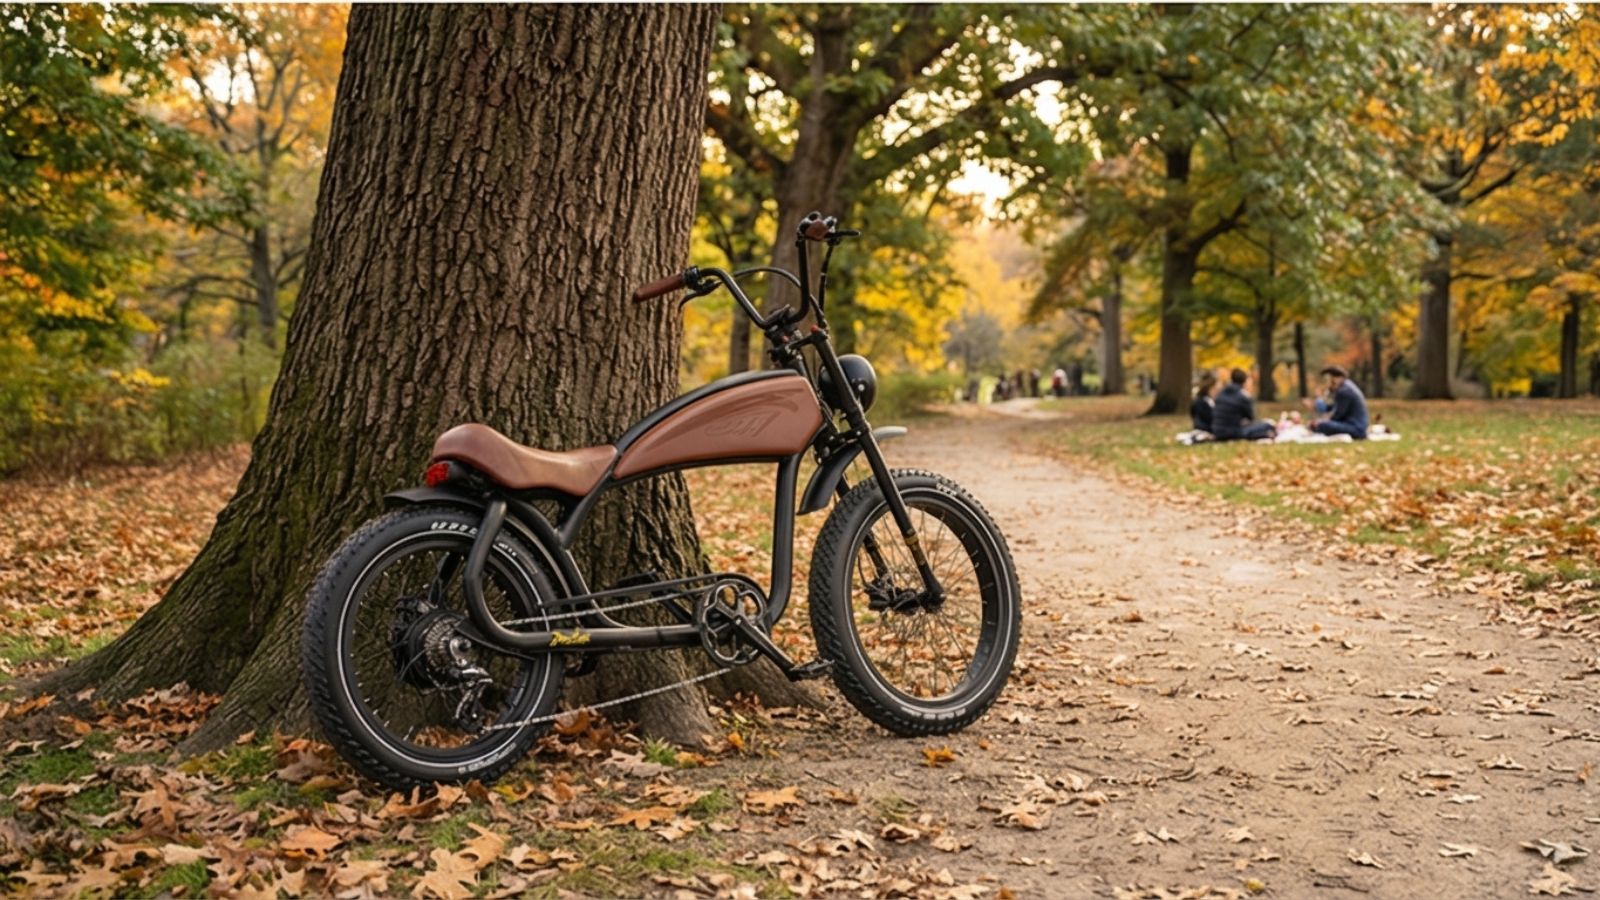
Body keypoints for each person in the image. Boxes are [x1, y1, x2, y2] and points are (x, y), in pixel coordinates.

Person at [1211, 368, 1275, 442]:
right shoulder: (1243, 396)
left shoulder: (1221, 394)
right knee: (1267, 425)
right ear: (1244, 381)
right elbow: (1250, 417)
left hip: (1217, 432)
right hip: (1233, 432)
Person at [1308, 365, 1368, 439]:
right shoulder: (1346, 387)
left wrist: (1321, 422)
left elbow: (1338, 416)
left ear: (1335, 379)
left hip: (1356, 429)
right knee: (1321, 423)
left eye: (1330, 381)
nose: (1329, 384)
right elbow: (1333, 407)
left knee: (1322, 425)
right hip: (1355, 426)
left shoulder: (1344, 391)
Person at [1190, 370, 1218, 434]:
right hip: (1205, 428)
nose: (1216, 391)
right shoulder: (1202, 402)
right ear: (1208, 389)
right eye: (1214, 389)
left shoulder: (1208, 400)